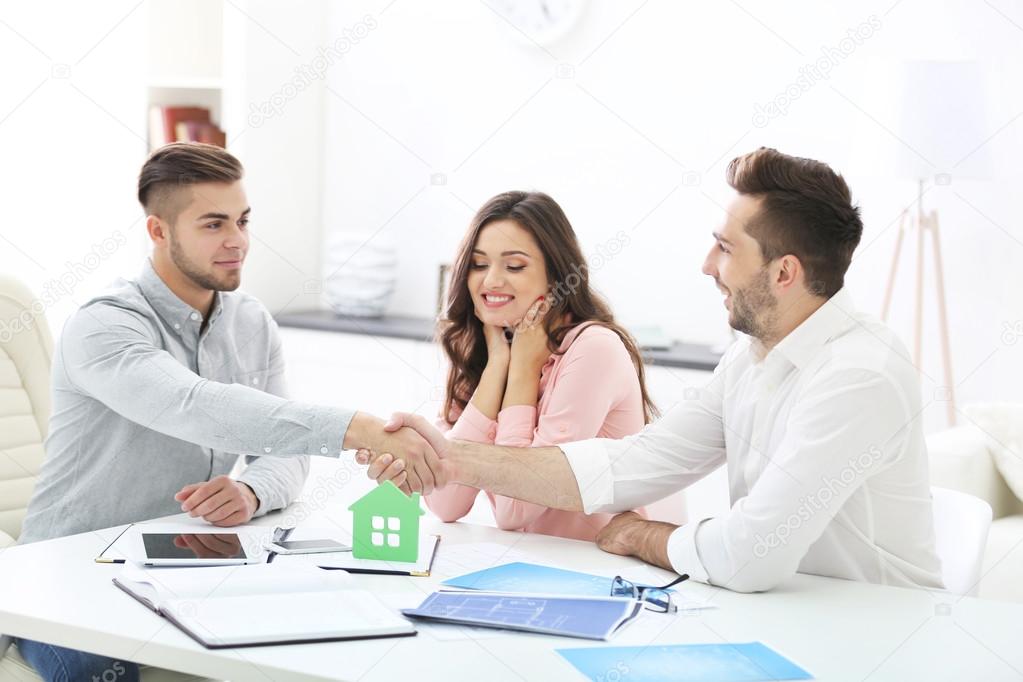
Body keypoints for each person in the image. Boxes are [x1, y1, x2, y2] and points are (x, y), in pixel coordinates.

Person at [361, 147, 944, 594]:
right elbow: (632, 463)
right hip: (794, 611)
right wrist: (445, 457)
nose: (706, 264)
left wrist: (643, 535)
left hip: (876, 633)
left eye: (725, 248)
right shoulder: (751, 358)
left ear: (784, 273)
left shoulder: (858, 374)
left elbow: (751, 554)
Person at [14, 142, 440, 682]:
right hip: (68, 575)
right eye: (213, 224)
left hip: (187, 566)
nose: (237, 241)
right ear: (158, 231)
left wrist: (251, 491)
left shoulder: (251, 323)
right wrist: (360, 428)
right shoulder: (105, 325)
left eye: (242, 220)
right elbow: (193, 405)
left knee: (317, 639)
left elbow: (283, 454)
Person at [365, 191, 658, 541]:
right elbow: (445, 503)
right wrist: (496, 370)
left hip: (594, 568)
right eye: (478, 264)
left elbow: (514, 511)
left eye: (514, 266)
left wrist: (521, 371)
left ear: (556, 275)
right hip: (526, 564)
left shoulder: (594, 349)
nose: (491, 281)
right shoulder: (489, 347)